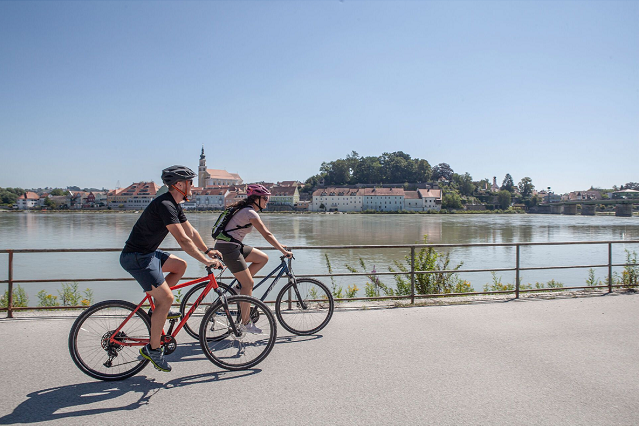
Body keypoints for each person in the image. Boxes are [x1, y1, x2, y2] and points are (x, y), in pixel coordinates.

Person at [120, 165, 222, 372]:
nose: (193, 186)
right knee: (167, 298)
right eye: (190, 182)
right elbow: (183, 240)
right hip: (136, 257)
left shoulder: (174, 205)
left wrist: (207, 249)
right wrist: (205, 261)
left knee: (179, 265)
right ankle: (153, 349)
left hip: (146, 254)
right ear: (179, 185)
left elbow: (190, 231)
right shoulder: (165, 204)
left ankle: (156, 310)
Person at [214, 184, 293, 332]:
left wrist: (279, 245)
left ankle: (238, 288)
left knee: (262, 258)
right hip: (228, 248)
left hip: (234, 245)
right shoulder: (250, 212)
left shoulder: (245, 210)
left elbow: (267, 235)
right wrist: (282, 250)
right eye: (265, 198)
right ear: (256, 199)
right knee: (248, 283)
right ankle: (245, 323)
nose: (267, 201)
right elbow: (266, 234)